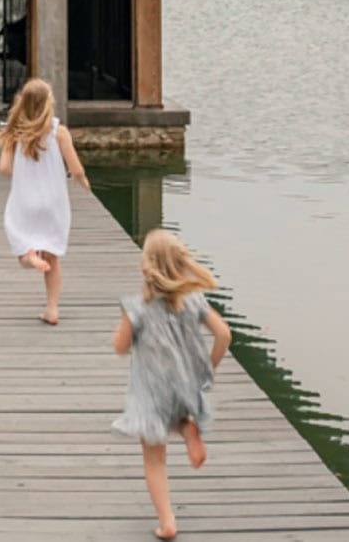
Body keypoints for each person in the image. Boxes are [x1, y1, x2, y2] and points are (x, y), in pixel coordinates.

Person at [111, 228, 232, 541]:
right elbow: (224, 334)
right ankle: (186, 427)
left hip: (151, 394)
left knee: (154, 461)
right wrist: (208, 370)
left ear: (145, 267)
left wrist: (125, 333)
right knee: (176, 412)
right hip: (185, 387)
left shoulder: (136, 307)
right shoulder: (195, 301)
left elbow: (121, 347)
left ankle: (167, 522)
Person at [0, 78, 91, 324]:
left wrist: (25, 171)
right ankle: (52, 309)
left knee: (22, 244)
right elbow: (75, 168)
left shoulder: (15, 131)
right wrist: (83, 182)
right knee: (53, 257)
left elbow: (4, 168)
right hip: (53, 202)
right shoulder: (60, 132)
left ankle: (29, 257)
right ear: (49, 104)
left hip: (25, 200)